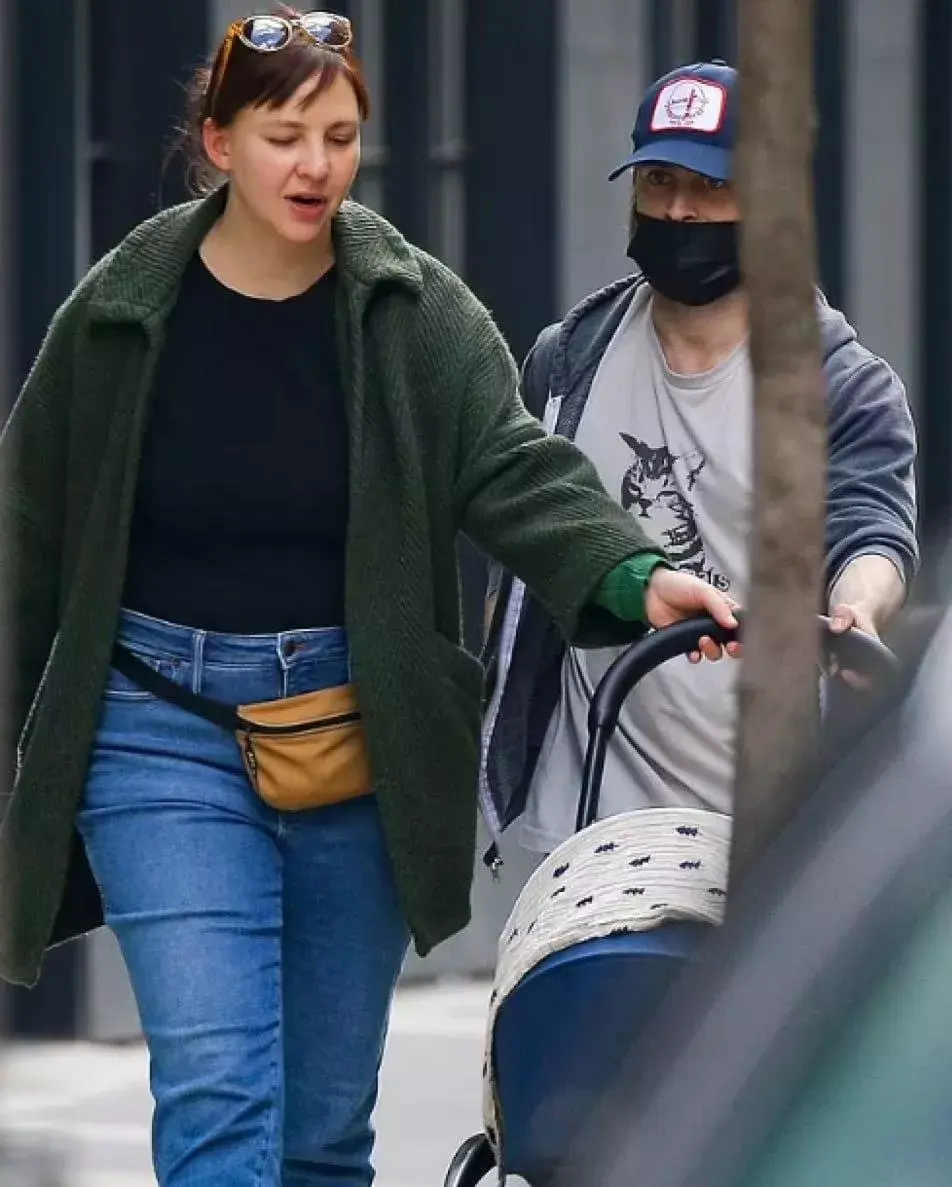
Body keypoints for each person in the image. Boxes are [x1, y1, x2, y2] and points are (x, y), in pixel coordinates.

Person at [0, 15, 741, 1187]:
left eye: (339, 136)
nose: (315, 164)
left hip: (356, 733)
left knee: (322, 1131)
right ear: (220, 141)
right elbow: (24, 539)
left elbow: (510, 463)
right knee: (218, 1094)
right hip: (158, 736)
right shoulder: (119, 314)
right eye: (284, 134)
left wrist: (633, 572)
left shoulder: (410, 309)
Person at [480, 59, 918, 863]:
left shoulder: (840, 383)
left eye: (712, 187)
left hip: (765, 832)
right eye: (659, 180)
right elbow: (524, 521)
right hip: (581, 825)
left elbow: (872, 529)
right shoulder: (567, 359)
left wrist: (858, 610)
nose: (680, 209)